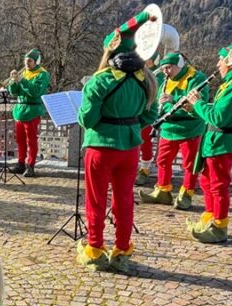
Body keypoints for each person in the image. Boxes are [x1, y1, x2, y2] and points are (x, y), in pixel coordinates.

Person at [76, 11, 159, 273]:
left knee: (96, 199)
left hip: (101, 147)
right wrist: (130, 127)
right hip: (130, 148)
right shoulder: (147, 80)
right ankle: (122, 251)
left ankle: (95, 249)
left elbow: (87, 119)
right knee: (124, 199)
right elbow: (151, 115)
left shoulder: (100, 80)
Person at [184, 41, 232, 243]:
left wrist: (197, 103)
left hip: (222, 140)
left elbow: (218, 117)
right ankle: (210, 216)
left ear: (231, 62)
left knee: (218, 184)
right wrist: (196, 108)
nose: (218, 64)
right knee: (206, 179)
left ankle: (219, 226)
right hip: (220, 139)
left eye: (221, 60)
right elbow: (222, 110)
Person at [139, 52, 209, 210]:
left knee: (190, 163)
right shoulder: (165, 80)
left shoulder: (196, 78)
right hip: (168, 127)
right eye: (163, 68)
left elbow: (193, 105)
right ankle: (162, 190)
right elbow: (160, 101)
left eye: (169, 68)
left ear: (180, 65)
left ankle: (187, 193)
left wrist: (171, 103)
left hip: (189, 127)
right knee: (163, 160)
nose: (166, 72)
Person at [6, 49, 50, 177]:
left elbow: (35, 91)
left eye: (29, 61)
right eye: (25, 61)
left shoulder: (42, 74)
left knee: (31, 140)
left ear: (36, 61)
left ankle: (30, 165)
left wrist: (22, 81)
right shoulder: (23, 73)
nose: (26, 63)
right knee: (20, 140)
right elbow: (14, 92)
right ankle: (20, 163)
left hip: (32, 110)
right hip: (20, 110)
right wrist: (13, 82)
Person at [135, 51, 164, 186]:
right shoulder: (137, 72)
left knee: (144, 141)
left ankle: (145, 168)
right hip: (135, 110)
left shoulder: (159, 74)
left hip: (147, 111)